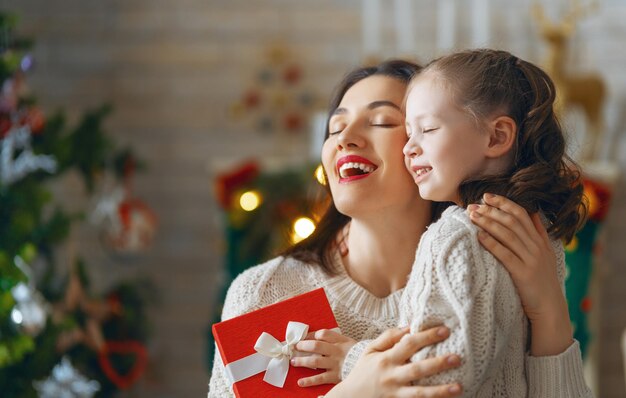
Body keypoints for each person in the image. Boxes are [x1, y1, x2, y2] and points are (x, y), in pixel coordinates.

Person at [208, 59, 592, 397]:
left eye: (383, 121)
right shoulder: (266, 292)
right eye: (335, 126)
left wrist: (549, 314)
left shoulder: (498, 262)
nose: (344, 138)